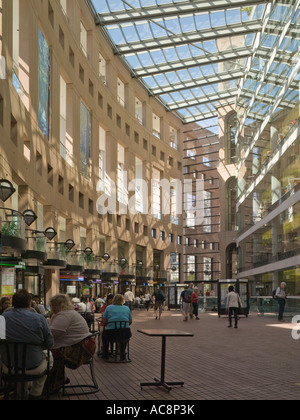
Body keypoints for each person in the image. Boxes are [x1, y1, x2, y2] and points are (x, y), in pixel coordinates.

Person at [0, 289, 54, 400]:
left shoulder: (2, 319)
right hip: (34, 364)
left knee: (18, 359)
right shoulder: (39, 319)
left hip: (9, 366)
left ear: (13, 303)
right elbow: (50, 343)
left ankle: (21, 394)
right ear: (29, 303)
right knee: (50, 358)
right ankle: (35, 393)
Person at [46, 294, 95, 394]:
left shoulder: (65, 315)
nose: (53, 307)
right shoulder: (63, 314)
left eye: (56, 305)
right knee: (51, 352)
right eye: (52, 305)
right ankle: (57, 380)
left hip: (81, 350)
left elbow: (54, 333)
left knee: (51, 354)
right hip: (81, 345)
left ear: (63, 305)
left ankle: (54, 383)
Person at [102, 294, 132, 360]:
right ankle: (122, 353)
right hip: (125, 332)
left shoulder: (109, 307)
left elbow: (104, 321)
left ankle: (105, 354)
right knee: (124, 339)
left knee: (104, 336)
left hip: (111, 333)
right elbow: (130, 321)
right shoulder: (127, 308)